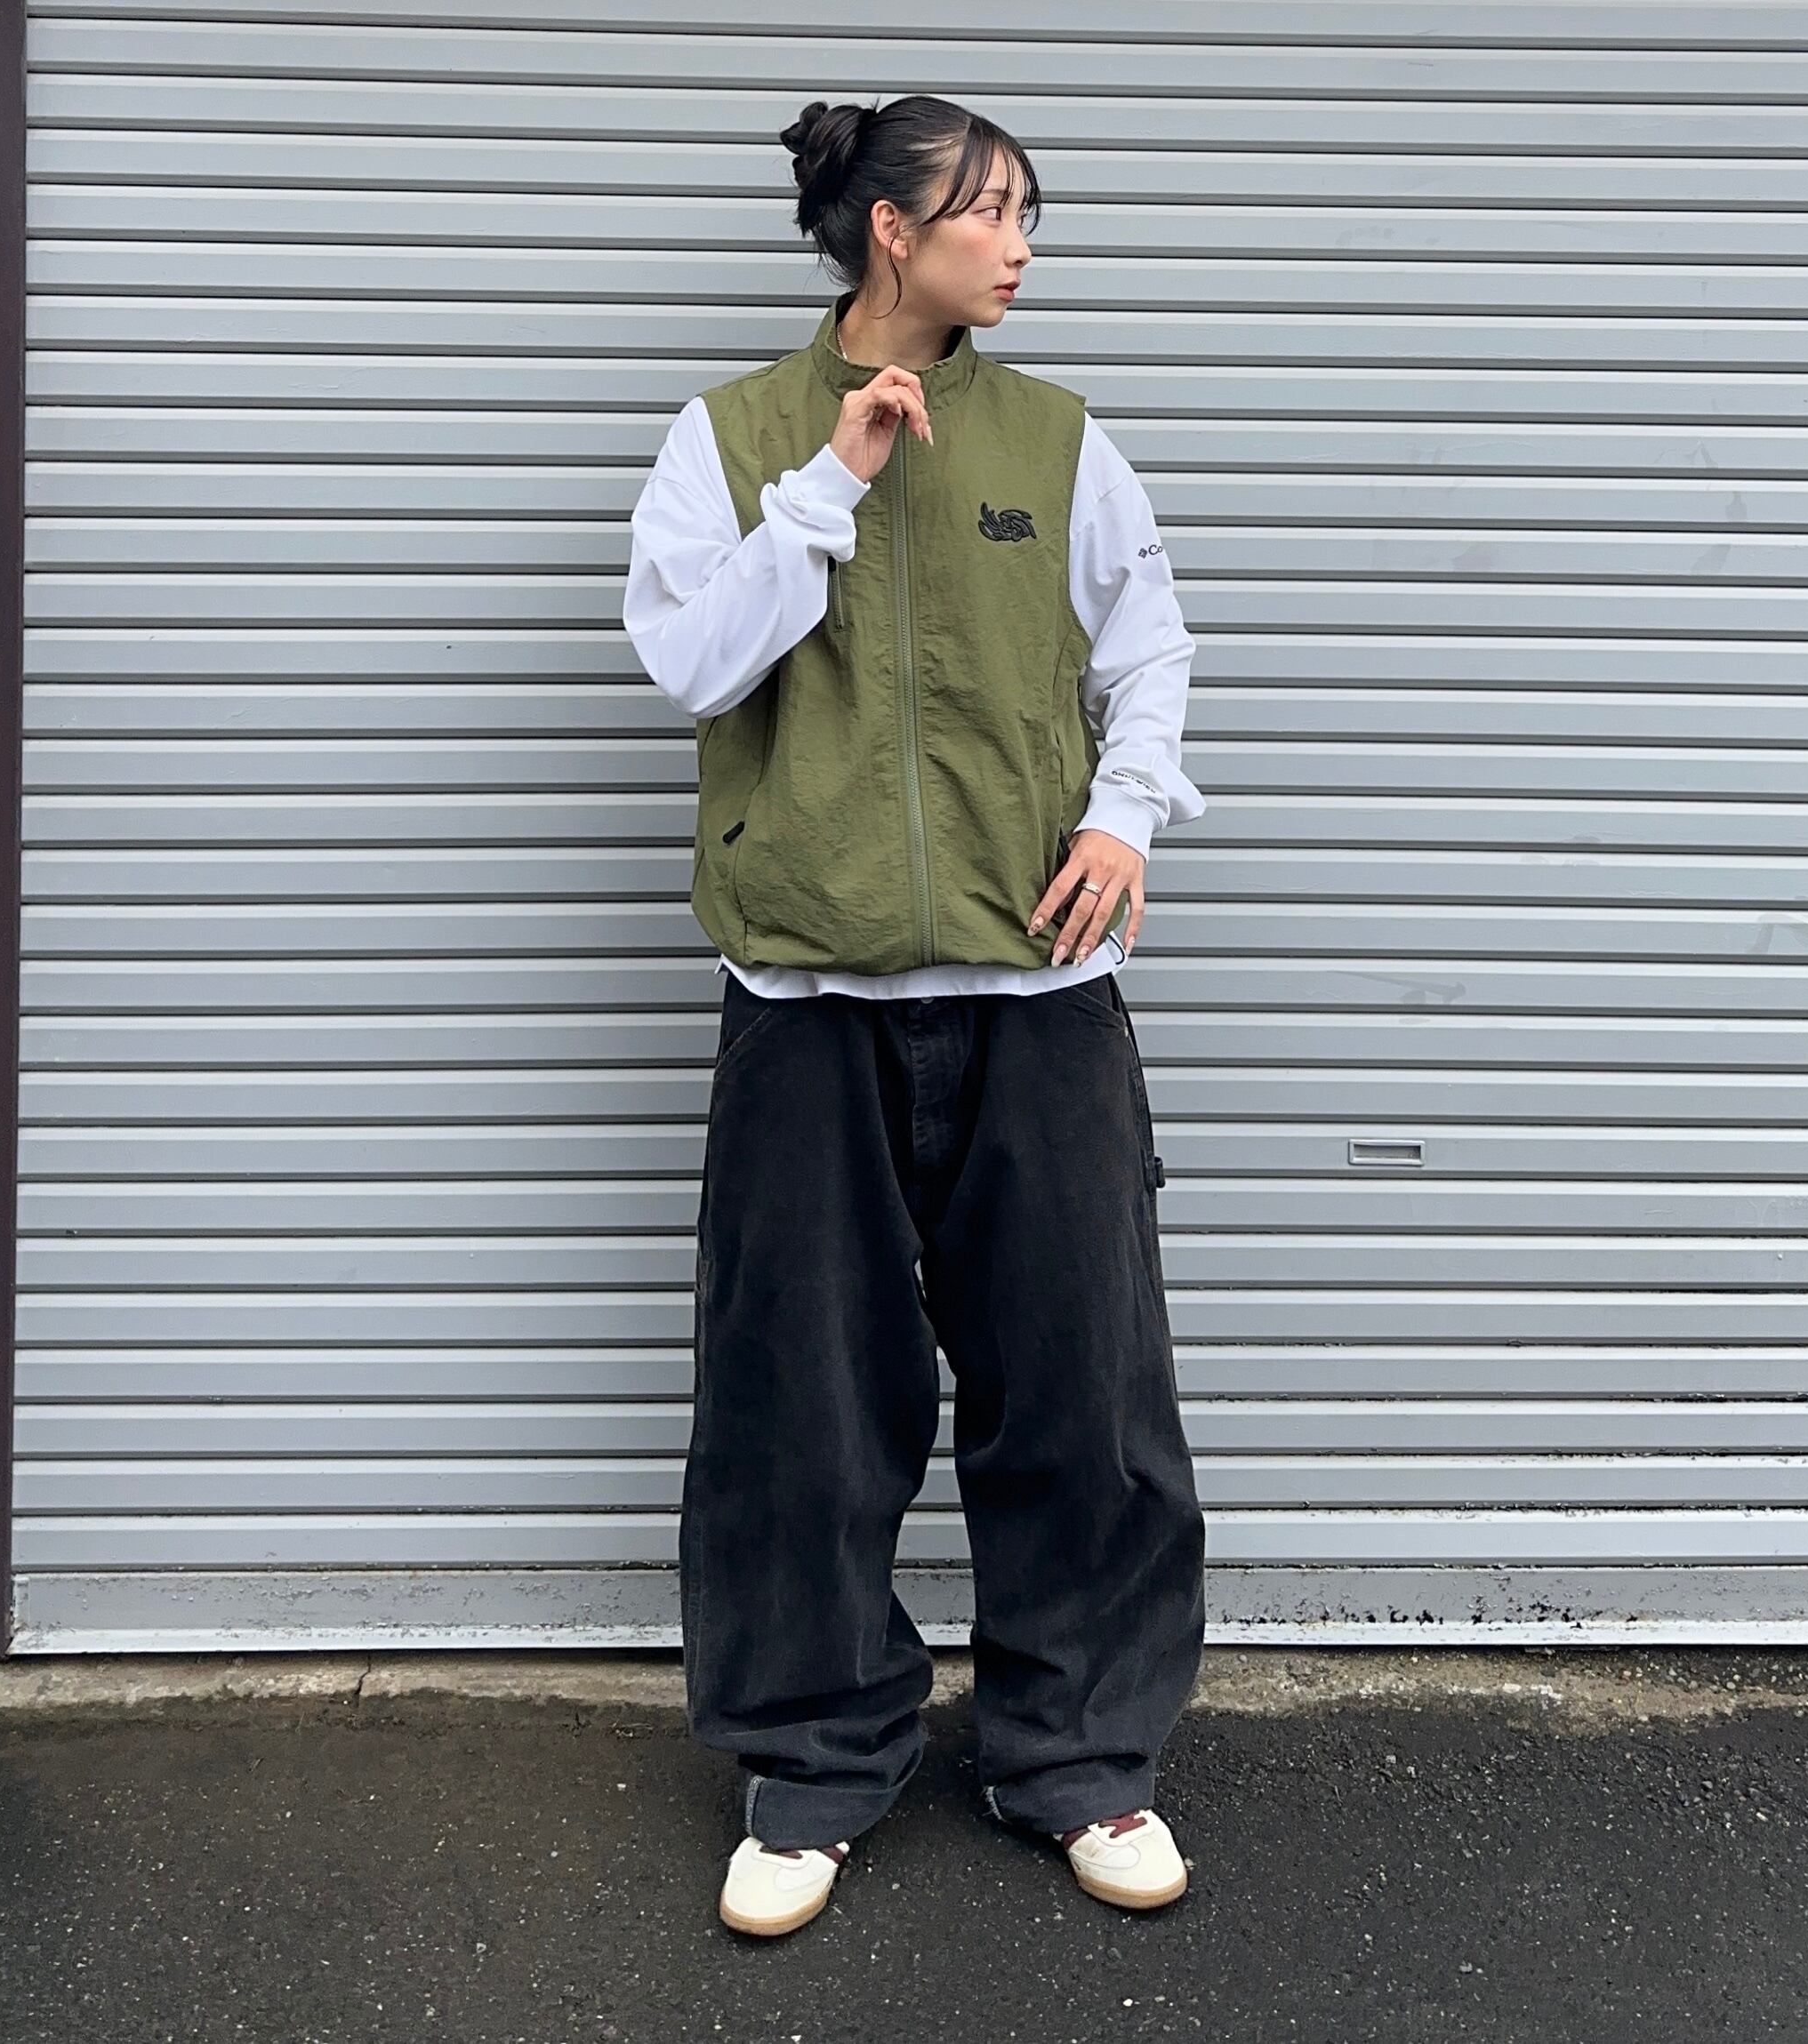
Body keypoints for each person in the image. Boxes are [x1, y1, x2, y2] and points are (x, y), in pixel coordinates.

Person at [621, 92, 1207, 1939]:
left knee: (1084, 1391)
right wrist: (834, 483)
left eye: (1030, 214)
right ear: (894, 227)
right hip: (807, 999)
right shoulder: (731, 438)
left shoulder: (1059, 438)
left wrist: (1123, 817)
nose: (1020, 246)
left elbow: (1147, 649)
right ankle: (812, 1765)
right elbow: (689, 661)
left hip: (1040, 1000)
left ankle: (1082, 1755)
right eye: (992, 211)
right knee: (799, 1405)